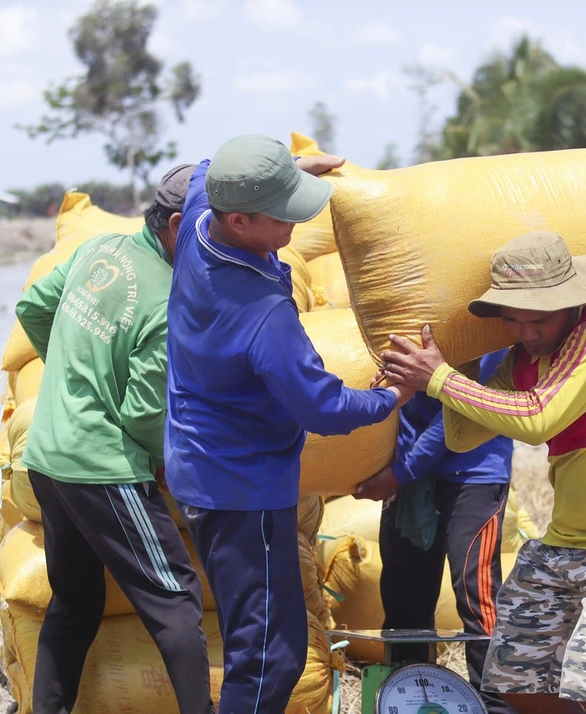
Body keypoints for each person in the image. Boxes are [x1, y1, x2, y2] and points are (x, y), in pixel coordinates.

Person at [379, 231, 586, 714]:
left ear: (570, 304)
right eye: (513, 320)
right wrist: (456, 364)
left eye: (539, 320)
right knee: (516, 675)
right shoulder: (522, 358)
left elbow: (537, 419)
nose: (526, 332)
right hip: (570, 537)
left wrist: (440, 379)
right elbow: (462, 437)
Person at [164, 134, 414, 713]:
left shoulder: (204, 222)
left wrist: (288, 169)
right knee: (269, 655)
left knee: (264, 640)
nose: (294, 227)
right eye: (282, 216)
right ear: (241, 219)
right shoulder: (261, 312)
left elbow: (207, 170)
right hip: (242, 489)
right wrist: (391, 397)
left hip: (204, 465)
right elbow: (321, 407)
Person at [15, 165, 214, 714]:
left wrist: (69, 376)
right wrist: (164, 461)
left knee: (75, 602)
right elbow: (145, 412)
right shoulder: (169, 300)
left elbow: (32, 307)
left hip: (47, 456)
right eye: (208, 228)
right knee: (176, 600)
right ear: (177, 226)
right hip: (102, 469)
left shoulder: (99, 250)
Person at [355, 349, 515, 714]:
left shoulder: (482, 325)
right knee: (403, 605)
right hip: (408, 471)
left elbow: (461, 406)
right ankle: (402, 703)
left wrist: (400, 472)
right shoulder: (404, 310)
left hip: (474, 471)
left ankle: (497, 707)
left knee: (478, 601)